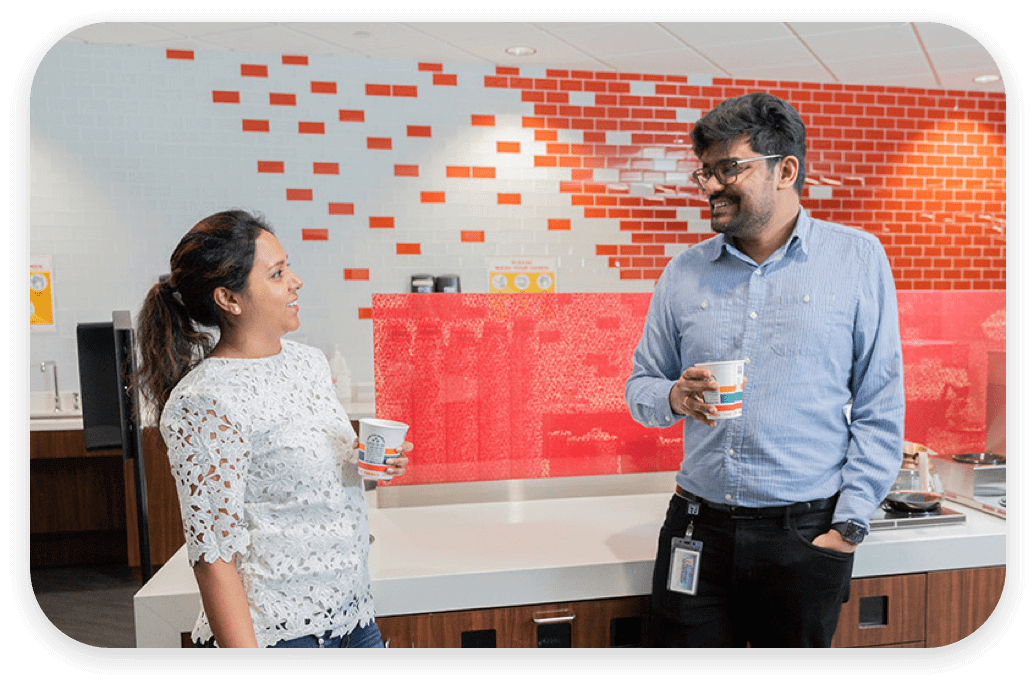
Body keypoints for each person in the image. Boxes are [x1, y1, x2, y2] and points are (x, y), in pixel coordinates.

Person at [625, 93, 904, 648]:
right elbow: (640, 387)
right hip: (696, 529)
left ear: (786, 170)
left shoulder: (857, 260)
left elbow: (881, 405)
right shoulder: (683, 273)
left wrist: (847, 528)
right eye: (705, 171)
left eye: (729, 168)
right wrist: (675, 397)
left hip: (804, 535)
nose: (710, 185)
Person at [135, 210, 411, 648]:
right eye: (278, 273)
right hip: (278, 633)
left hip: (354, 617)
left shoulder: (309, 363)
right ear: (230, 298)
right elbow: (213, 559)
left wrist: (365, 461)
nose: (296, 281)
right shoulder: (205, 400)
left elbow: (297, 473)